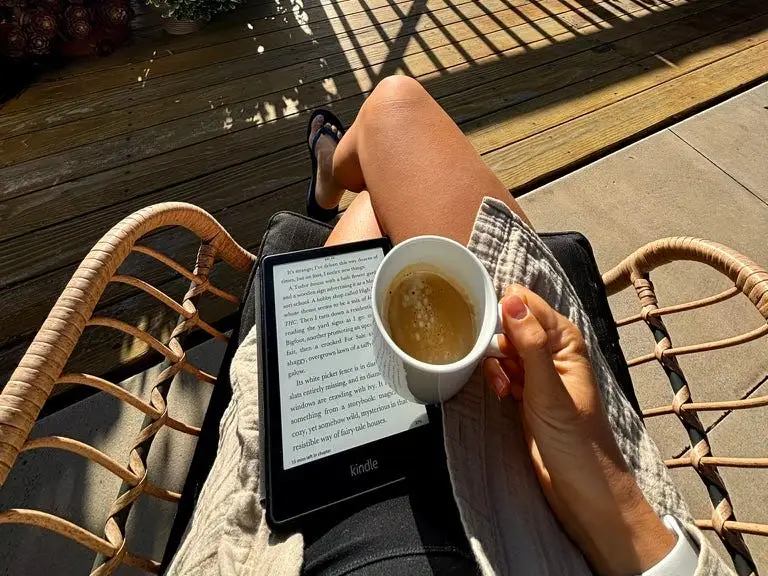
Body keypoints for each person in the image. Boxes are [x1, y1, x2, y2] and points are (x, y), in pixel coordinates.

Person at [167, 76, 727, 576]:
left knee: (392, 114)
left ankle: (329, 183)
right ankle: (337, 183)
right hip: (553, 514)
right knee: (393, 122)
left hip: (289, 525)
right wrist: (610, 497)